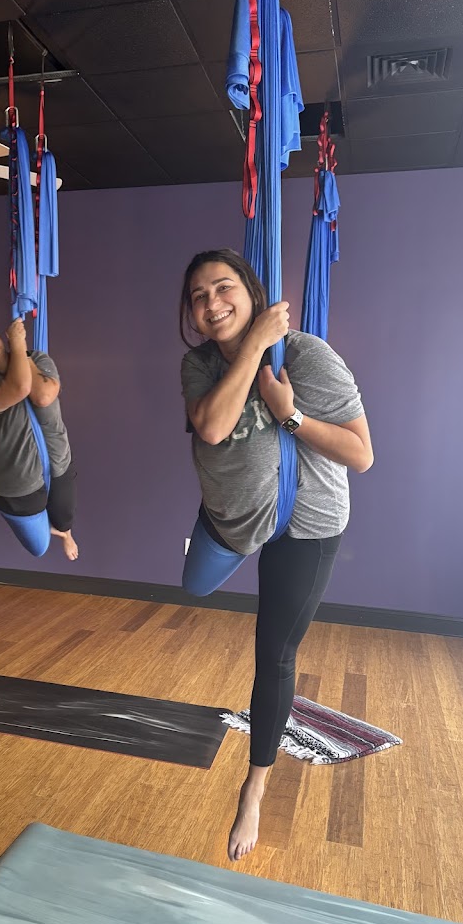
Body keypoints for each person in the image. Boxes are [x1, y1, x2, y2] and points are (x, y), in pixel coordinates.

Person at [179, 249, 373, 862]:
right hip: (234, 517)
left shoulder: (308, 356)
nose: (211, 304)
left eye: (223, 288)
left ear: (252, 291)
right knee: (193, 587)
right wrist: (254, 346)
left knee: (274, 653)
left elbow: (361, 454)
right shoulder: (198, 364)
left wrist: (290, 415)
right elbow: (213, 427)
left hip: (305, 525)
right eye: (198, 296)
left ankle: (254, 786)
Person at [0, 317, 78, 561]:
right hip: (16, 474)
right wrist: (17, 342)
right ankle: (47, 527)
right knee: (39, 546)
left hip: (57, 458)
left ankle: (65, 534)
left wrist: (20, 352)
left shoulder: (38, 359)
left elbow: (43, 396)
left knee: (64, 519)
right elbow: (19, 388)